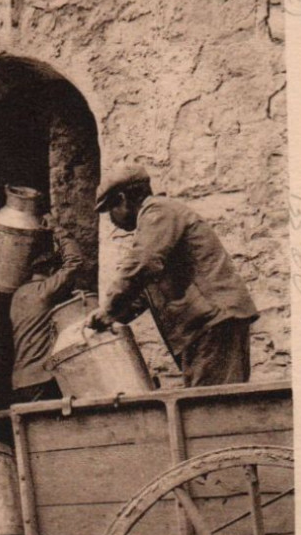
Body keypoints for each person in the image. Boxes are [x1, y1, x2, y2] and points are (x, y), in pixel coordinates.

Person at [88, 165, 259, 387]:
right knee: (206, 408)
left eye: (111, 209)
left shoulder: (158, 212)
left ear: (122, 199)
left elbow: (142, 264)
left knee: (211, 411)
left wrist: (109, 308)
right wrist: (114, 316)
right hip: (206, 326)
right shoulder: (158, 220)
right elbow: (146, 289)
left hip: (214, 322)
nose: (112, 220)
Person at [10, 217, 83, 404]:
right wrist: (59, 230)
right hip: (42, 379)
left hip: (20, 380)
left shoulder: (18, 296)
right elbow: (74, 262)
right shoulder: (46, 291)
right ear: (52, 270)